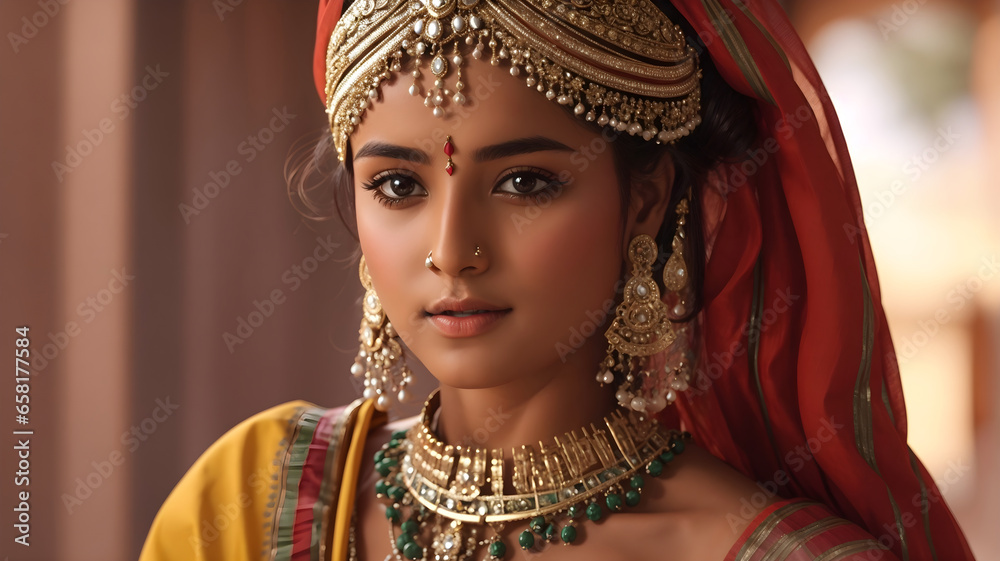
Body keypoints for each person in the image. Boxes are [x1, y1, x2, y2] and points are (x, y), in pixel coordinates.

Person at [138, 0, 977, 559]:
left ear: (645, 200)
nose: (452, 249)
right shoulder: (254, 503)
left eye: (525, 183)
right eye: (399, 186)